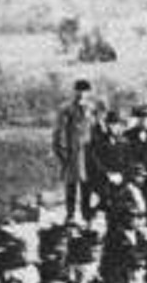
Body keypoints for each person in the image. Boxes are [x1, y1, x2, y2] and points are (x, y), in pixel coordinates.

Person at [52, 79, 95, 225]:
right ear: (74, 92)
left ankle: (86, 215)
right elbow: (59, 132)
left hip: (88, 153)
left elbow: (95, 130)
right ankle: (70, 214)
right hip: (72, 153)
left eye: (85, 92)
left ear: (89, 93)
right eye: (79, 91)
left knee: (87, 185)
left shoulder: (91, 109)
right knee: (71, 185)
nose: (82, 94)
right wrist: (62, 153)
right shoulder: (66, 109)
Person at [86, 109, 132, 221]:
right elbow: (95, 163)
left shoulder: (124, 143)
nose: (114, 127)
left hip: (121, 182)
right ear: (106, 125)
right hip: (103, 182)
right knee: (98, 204)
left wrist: (122, 176)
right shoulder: (99, 143)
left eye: (117, 125)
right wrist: (108, 174)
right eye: (111, 124)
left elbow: (129, 163)